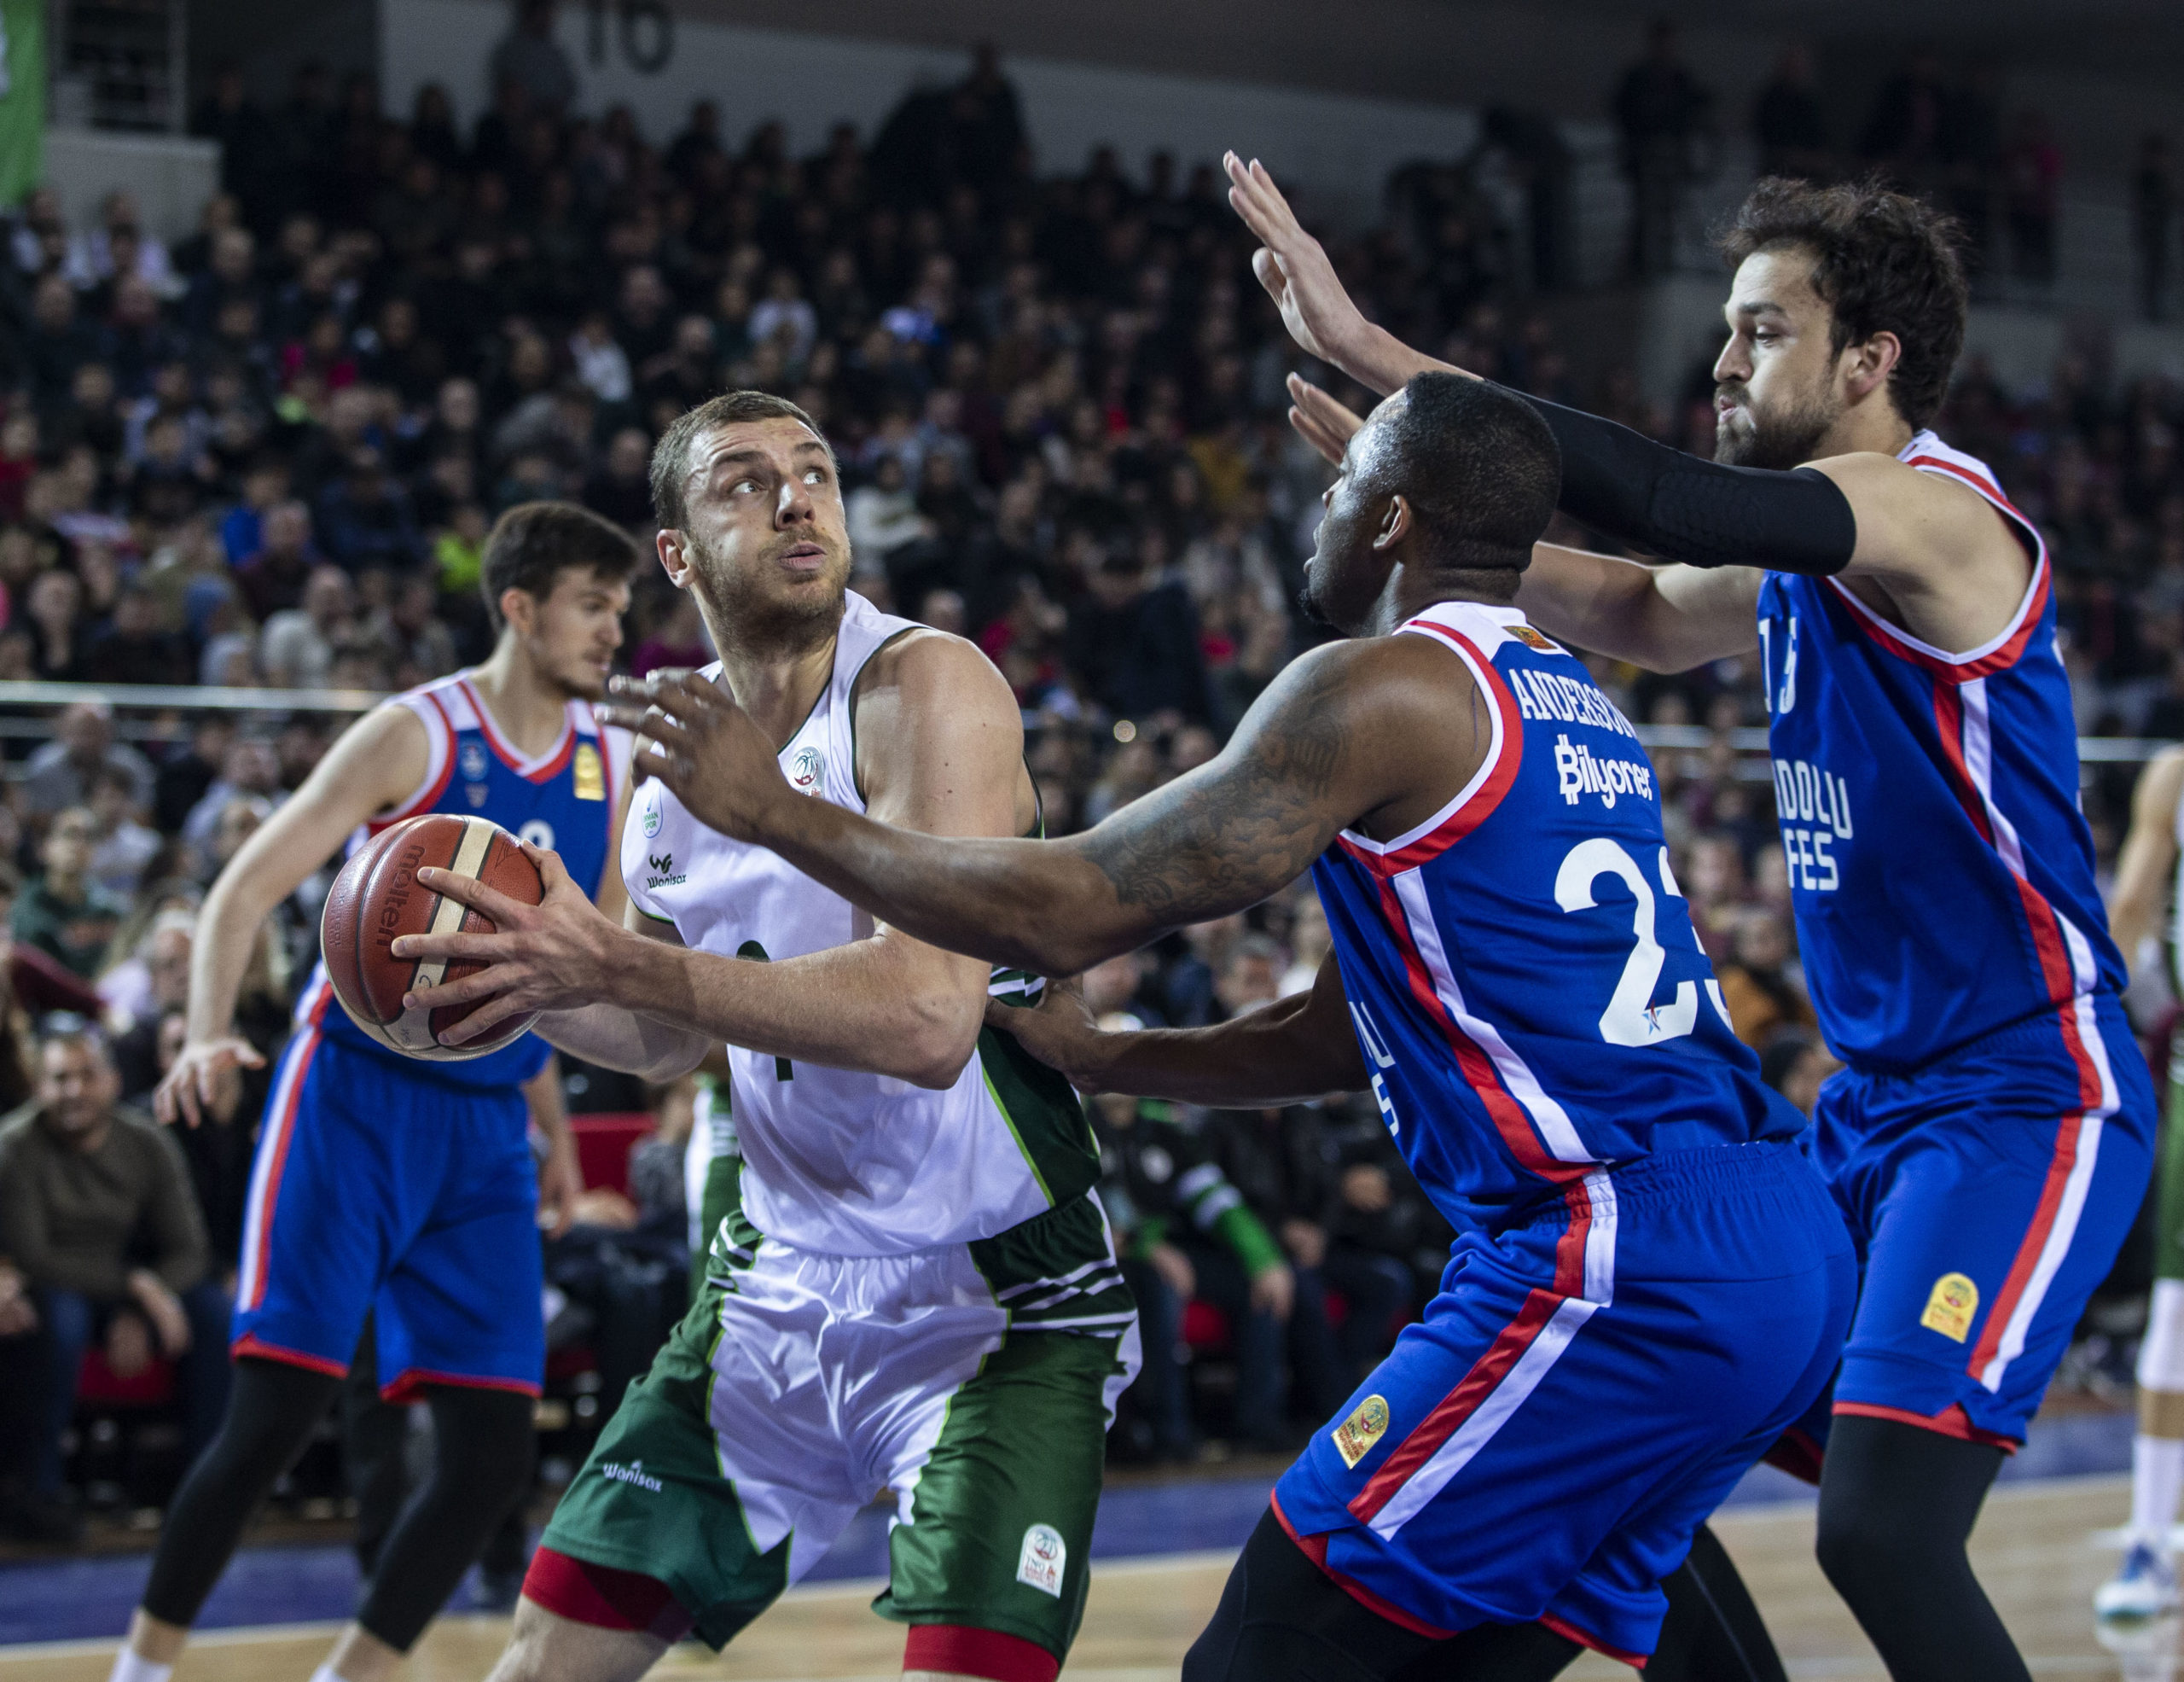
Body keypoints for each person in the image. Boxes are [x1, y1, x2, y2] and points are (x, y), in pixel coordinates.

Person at [537, 375, 1854, 1678]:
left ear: (1390, 521)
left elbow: (1075, 908)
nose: (1319, 511)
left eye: (1342, 488)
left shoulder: (1373, 689)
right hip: (1763, 1236)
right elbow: (1349, 1030)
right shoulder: (1578, 706)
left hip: (1613, 1249)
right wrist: (1116, 1059)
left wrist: (777, 813)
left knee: (1264, 1648)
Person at [1223, 154, 2157, 1682]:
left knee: (1881, 1531)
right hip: (1869, 1106)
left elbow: (1665, 502)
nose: (1721, 360)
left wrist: (1386, 363)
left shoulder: (1930, 518)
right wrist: (1429, 502)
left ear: (1873, 361)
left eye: (1761, 331)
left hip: (2025, 1097)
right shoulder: (1806, 566)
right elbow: (1648, 608)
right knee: (1665, 1406)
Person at [391, 391, 1137, 1682]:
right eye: (743, 481)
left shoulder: (923, 684)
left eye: (817, 472)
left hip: (988, 1293)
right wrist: (527, 976)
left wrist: (619, 959)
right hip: (771, 1286)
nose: (796, 499)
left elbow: (926, 1015)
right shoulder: (670, 739)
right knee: (540, 1662)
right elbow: (662, 1029)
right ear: (675, 553)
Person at [107, 502, 638, 1682]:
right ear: (520, 605)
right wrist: (200, 1034)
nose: (615, 627)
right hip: (350, 1096)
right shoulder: (418, 732)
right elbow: (242, 887)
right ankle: (140, 1667)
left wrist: (549, 1132)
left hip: (489, 1124)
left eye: (622, 607)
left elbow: (567, 970)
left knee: (495, 1450)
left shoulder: (613, 753)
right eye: (594, 603)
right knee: (273, 1418)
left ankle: (354, 1672)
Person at [0, 1023, 232, 1521]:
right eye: (60, 1079)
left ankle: (209, 1489)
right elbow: (34, 1256)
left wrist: (142, 1306)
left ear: (112, 1079)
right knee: (59, 1321)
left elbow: (189, 1250)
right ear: (40, 1086)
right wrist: (137, 1286)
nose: (74, 1092)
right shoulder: (15, 1146)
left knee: (214, 1314)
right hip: (53, 1285)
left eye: (87, 1076)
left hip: (124, 1286)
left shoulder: (147, 1143)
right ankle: (39, 1493)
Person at [2094, 744, 2184, 1619]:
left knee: (2175, 1316)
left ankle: (2151, 1544)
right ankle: (2150, 1538)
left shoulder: (2171, 774)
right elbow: (2127, 914)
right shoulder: (2172, 775)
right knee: (2173, 1312)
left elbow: (2129, 916)